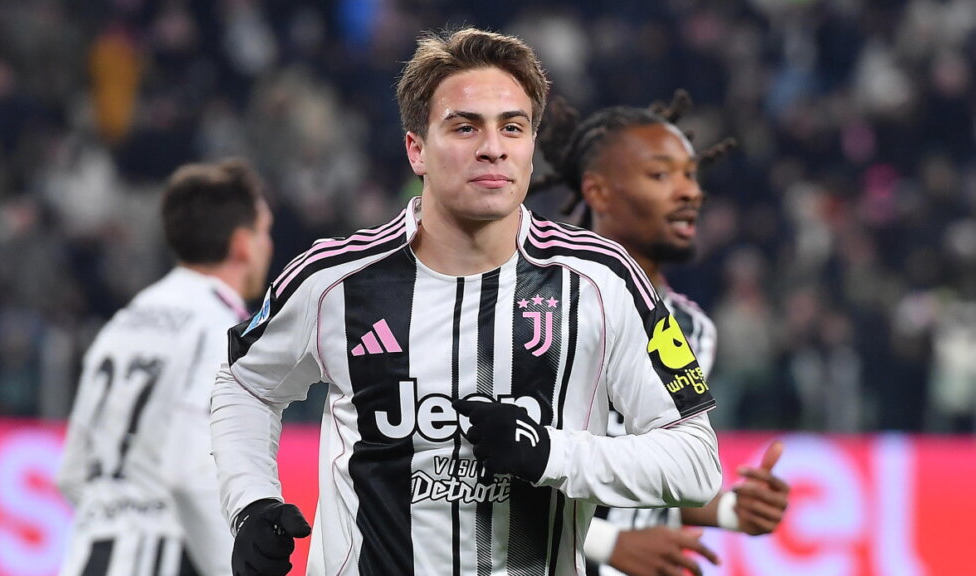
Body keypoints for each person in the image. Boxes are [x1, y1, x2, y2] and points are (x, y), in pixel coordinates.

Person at [210, 27, 721, 576]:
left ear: (530, 148)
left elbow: (696, 463)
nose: (492, 147)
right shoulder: (333, 278)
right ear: (417, 149)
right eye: (465, 127)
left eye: (512, 127)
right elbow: (244, 384)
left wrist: (550, 453)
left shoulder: (604, 280)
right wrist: (251, 502)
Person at [533, 91, 790, 576]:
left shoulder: (692, 328)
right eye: (660, 175)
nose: (690, 192)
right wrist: (608, 543)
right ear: (599, 193)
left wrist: (730, 510)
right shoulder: (541, 305)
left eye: (690, 175)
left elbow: (650, 476)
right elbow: (494, 462)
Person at [56, 158, 274, 576]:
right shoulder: (221, 330)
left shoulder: (124, 321)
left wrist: (119, 516)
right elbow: (188, 473)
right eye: (265, 231)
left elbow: (71, 473)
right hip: (161, 558)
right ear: (242, 245)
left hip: (87, 557)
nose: (269, 245)